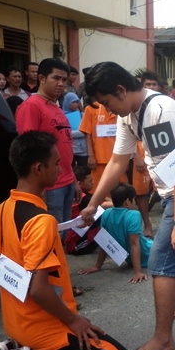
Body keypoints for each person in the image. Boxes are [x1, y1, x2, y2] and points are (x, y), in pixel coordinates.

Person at [0, 131, 132, 350]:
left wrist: (19, 290)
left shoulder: (3, 208)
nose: (62, 169)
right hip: (44, 329)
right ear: (39, 168)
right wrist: (73, 320)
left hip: (16, 323)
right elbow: (39, 288)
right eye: (57, 163)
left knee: (104, 345)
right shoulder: (41, 221)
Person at [80, 61, 175, 350]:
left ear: (121, 90)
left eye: (107, 102)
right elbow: (117, 162)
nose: (107, 109)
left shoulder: (158, 114)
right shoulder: (129, 113)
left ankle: (164, 340)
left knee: (162, 262)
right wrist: (93, 202)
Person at [16, 58, 80, 224]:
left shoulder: (55, 107)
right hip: (49, 187)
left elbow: (65, 144)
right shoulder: (32, 106)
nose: (61, 84)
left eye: (64, 80)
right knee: (50, 236)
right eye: (56, 78)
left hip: (66, 181)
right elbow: (29, 150)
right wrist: (39, 188)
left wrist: (73, 179)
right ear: (42, 78)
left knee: (62, 236)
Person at [79, 183, 150, 283]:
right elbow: (134, 244)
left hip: (131, 260)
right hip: (150, 255)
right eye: (133, 199)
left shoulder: (106, 213)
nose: (135, 202)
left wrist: (97, 266)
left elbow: (105, 242)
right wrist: (137, 272)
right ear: (127, 202)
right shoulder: (134, 214)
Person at [62, 92, 88, 167]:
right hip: (69, 150)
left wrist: (73, 133)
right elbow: (65, 133)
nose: (75, 104)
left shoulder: (82, 115)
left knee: (84, 172)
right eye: (73, 102)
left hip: (83, 150)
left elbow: (86, 131)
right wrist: (80, 132)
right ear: (67, 102)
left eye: (77, 102)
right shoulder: (61, 116)